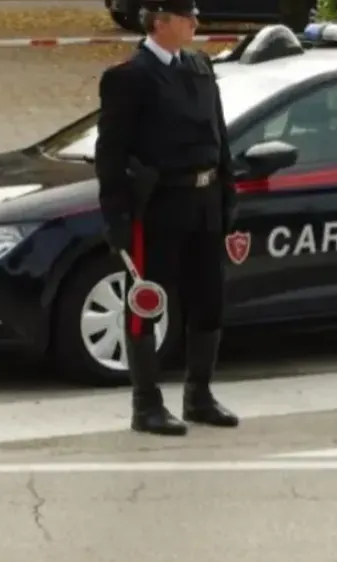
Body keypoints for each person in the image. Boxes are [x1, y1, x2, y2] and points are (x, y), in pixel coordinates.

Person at [94, 0, 240, 435]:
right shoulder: (130, 78)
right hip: (159, 204)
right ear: (160, 22)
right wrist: (116, 216)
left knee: (208, 300)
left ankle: (199, 395)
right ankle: (146, 404)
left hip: (204, 200)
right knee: (148, 303)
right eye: (186, 16)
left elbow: (219, 134)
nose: (196, 23)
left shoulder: (198, 67)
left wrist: (227, 193)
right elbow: (111, 155)